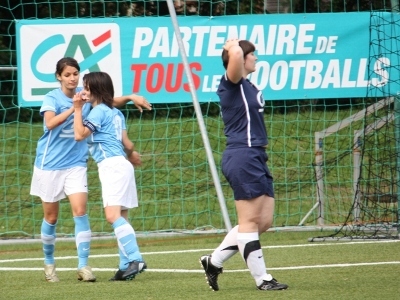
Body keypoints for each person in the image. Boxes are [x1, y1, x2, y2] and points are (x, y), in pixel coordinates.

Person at [30, 57, 151, 283]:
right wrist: (75, 108)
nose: (73, 78)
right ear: (58, 76)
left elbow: (82, 131)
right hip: (50, 164)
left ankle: (87, 265)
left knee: (86, 212)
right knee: (52, 216)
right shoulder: (58, 99)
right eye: (67, 74)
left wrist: (126, 97)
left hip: (82, 164)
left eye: (76, 74)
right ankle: (51, 263)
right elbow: (49, 123)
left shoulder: (92, 107)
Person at [199, 39, 288, 291]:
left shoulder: (248, 84)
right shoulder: (231, 82)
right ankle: (263, 279)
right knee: (249, 221)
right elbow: (235, 54)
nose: (256, 58)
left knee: (263, 221)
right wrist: (232, 44)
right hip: (242, 156)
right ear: (239, 58)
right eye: (253, 54)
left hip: (256, 156)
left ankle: (213, 262)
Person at [72, 71, 147, 281]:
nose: (83, 92)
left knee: (112, 216)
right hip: (122, 164)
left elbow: (79, 135)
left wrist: (78, 109)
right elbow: (128, 143)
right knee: (122, 216)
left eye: (86, 88)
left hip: (112, 166)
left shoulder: (97, 112)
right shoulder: (115, 113)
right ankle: (125, 268)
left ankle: (135, 258)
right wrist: (131, 155)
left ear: (95, 90)